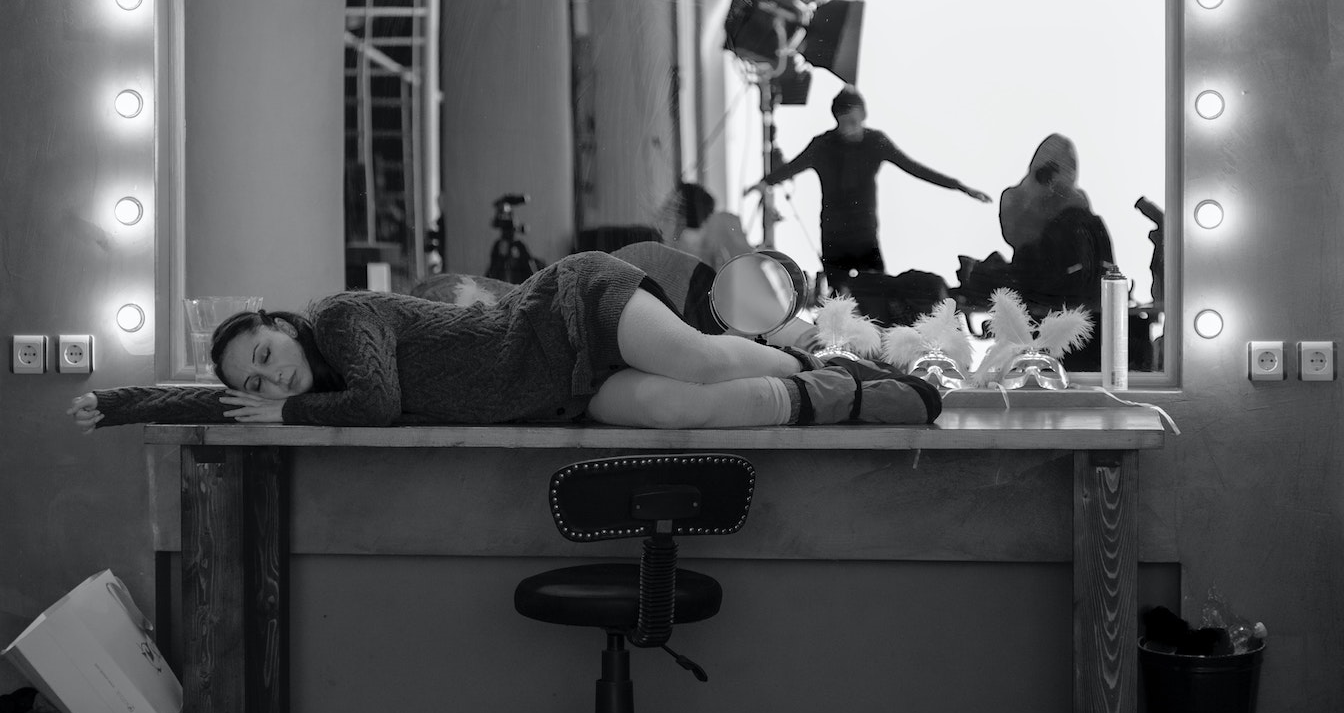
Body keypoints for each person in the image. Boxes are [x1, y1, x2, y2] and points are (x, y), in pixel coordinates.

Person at [68, 248, 940, 431]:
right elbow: (210, 398)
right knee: (688, 410)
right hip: (555, 390)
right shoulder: (313, 388)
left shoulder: (340, 317)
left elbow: (381, 399)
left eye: (263, 355)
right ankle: (852, 396)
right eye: (254, 383)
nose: (267, 381)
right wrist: (117, 401)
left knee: (707, 359)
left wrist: (290, 419)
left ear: (282, 326)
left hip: (566, 309)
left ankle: (817, 358)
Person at [745, 87, 991, 285]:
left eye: (853, 121)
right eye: (843, 123)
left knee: (879, 294)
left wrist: (960, 186)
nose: (849, 129)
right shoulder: (823, 145)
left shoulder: (876, 142)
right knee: (839, 302)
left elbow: (915, 168)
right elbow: (791, 168)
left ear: (863, 115)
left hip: (865, 237)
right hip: (833, 237)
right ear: (836, 120)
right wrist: (762, 184)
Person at [999, 133, 1115, 369]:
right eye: (1049, 168)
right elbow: (1017, 239)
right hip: (1035, 304)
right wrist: (1039, 197)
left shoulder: (1078, 211)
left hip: (1080, 307)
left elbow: (1094, 259)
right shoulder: (1016, 198)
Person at [664, 181, 756, 272]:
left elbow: (747, 259)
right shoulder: (726, 221)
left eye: (676, 206)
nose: (667, 209)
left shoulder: (689, 241)